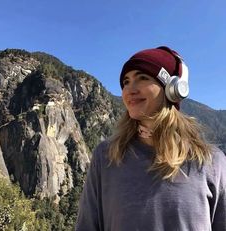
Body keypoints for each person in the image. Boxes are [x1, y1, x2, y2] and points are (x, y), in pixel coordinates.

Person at [75, 46, 226, 231]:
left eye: (143, 78)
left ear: (173, 89)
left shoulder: (211, 161)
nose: (130, 89)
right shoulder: (106, 156)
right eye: (126, 81)